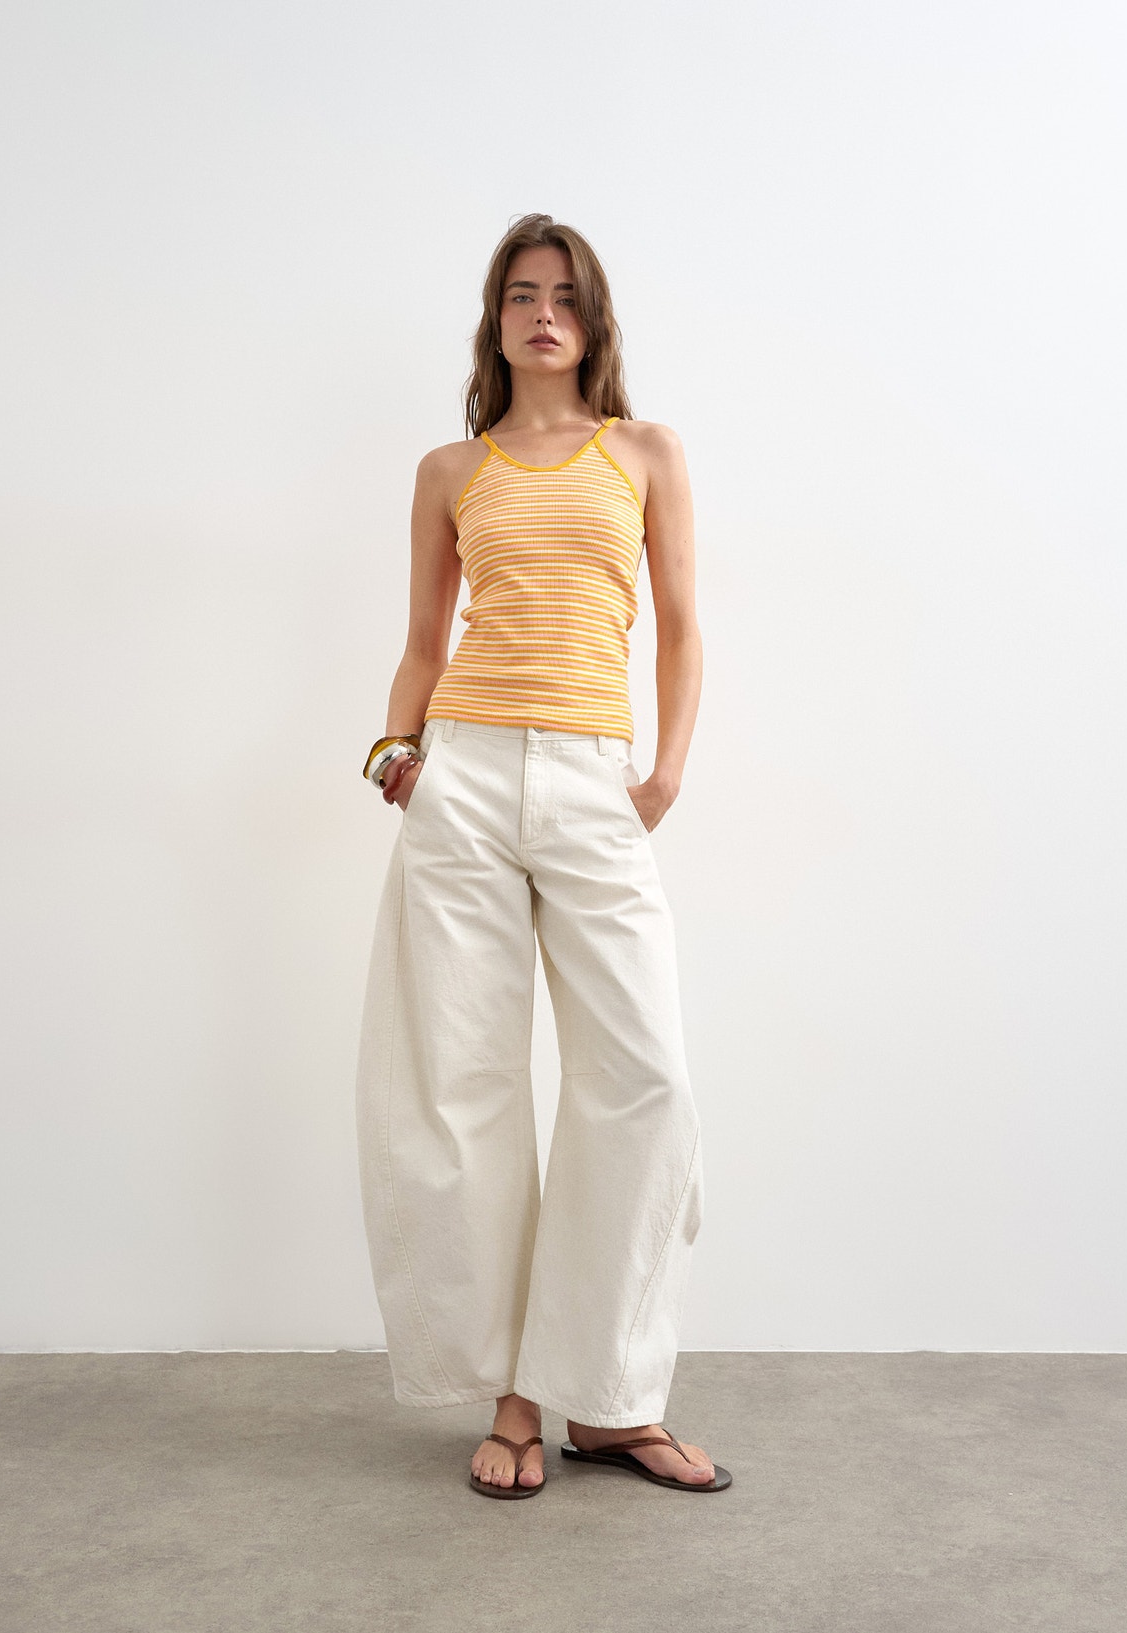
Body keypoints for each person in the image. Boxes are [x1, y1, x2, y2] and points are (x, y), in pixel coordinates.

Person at [355, 213, 729, 1498]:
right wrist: (394, 751)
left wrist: (663, 774)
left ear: (592, 318)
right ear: (496, 318)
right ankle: (514, 1399)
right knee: (463, 1083)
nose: (542, 314)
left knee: (645, 1079)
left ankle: (611, 1399)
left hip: (590, 777)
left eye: (563, 296)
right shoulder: (448, 469)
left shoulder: (645, 451)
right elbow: (424, 638)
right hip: (459, 772)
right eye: (520, 294)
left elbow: (679, 626)